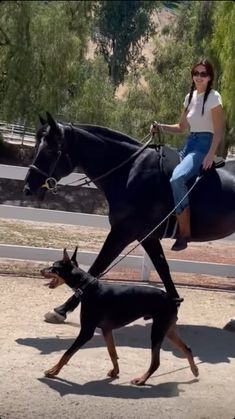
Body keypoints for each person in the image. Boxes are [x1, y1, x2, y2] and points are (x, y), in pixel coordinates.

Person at [150, 58, 224, 251]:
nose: (199, 77)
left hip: (203, 145)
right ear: (192, 75)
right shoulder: (189, 97)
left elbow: (219, 130)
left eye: (203, 74)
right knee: (161, 171)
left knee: (177, 179)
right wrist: (161, 127)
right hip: (189, 142)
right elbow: (182, 127)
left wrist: (210, 154)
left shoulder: (214, 97)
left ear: (209, 78)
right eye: (196, 73)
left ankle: (185, 233)